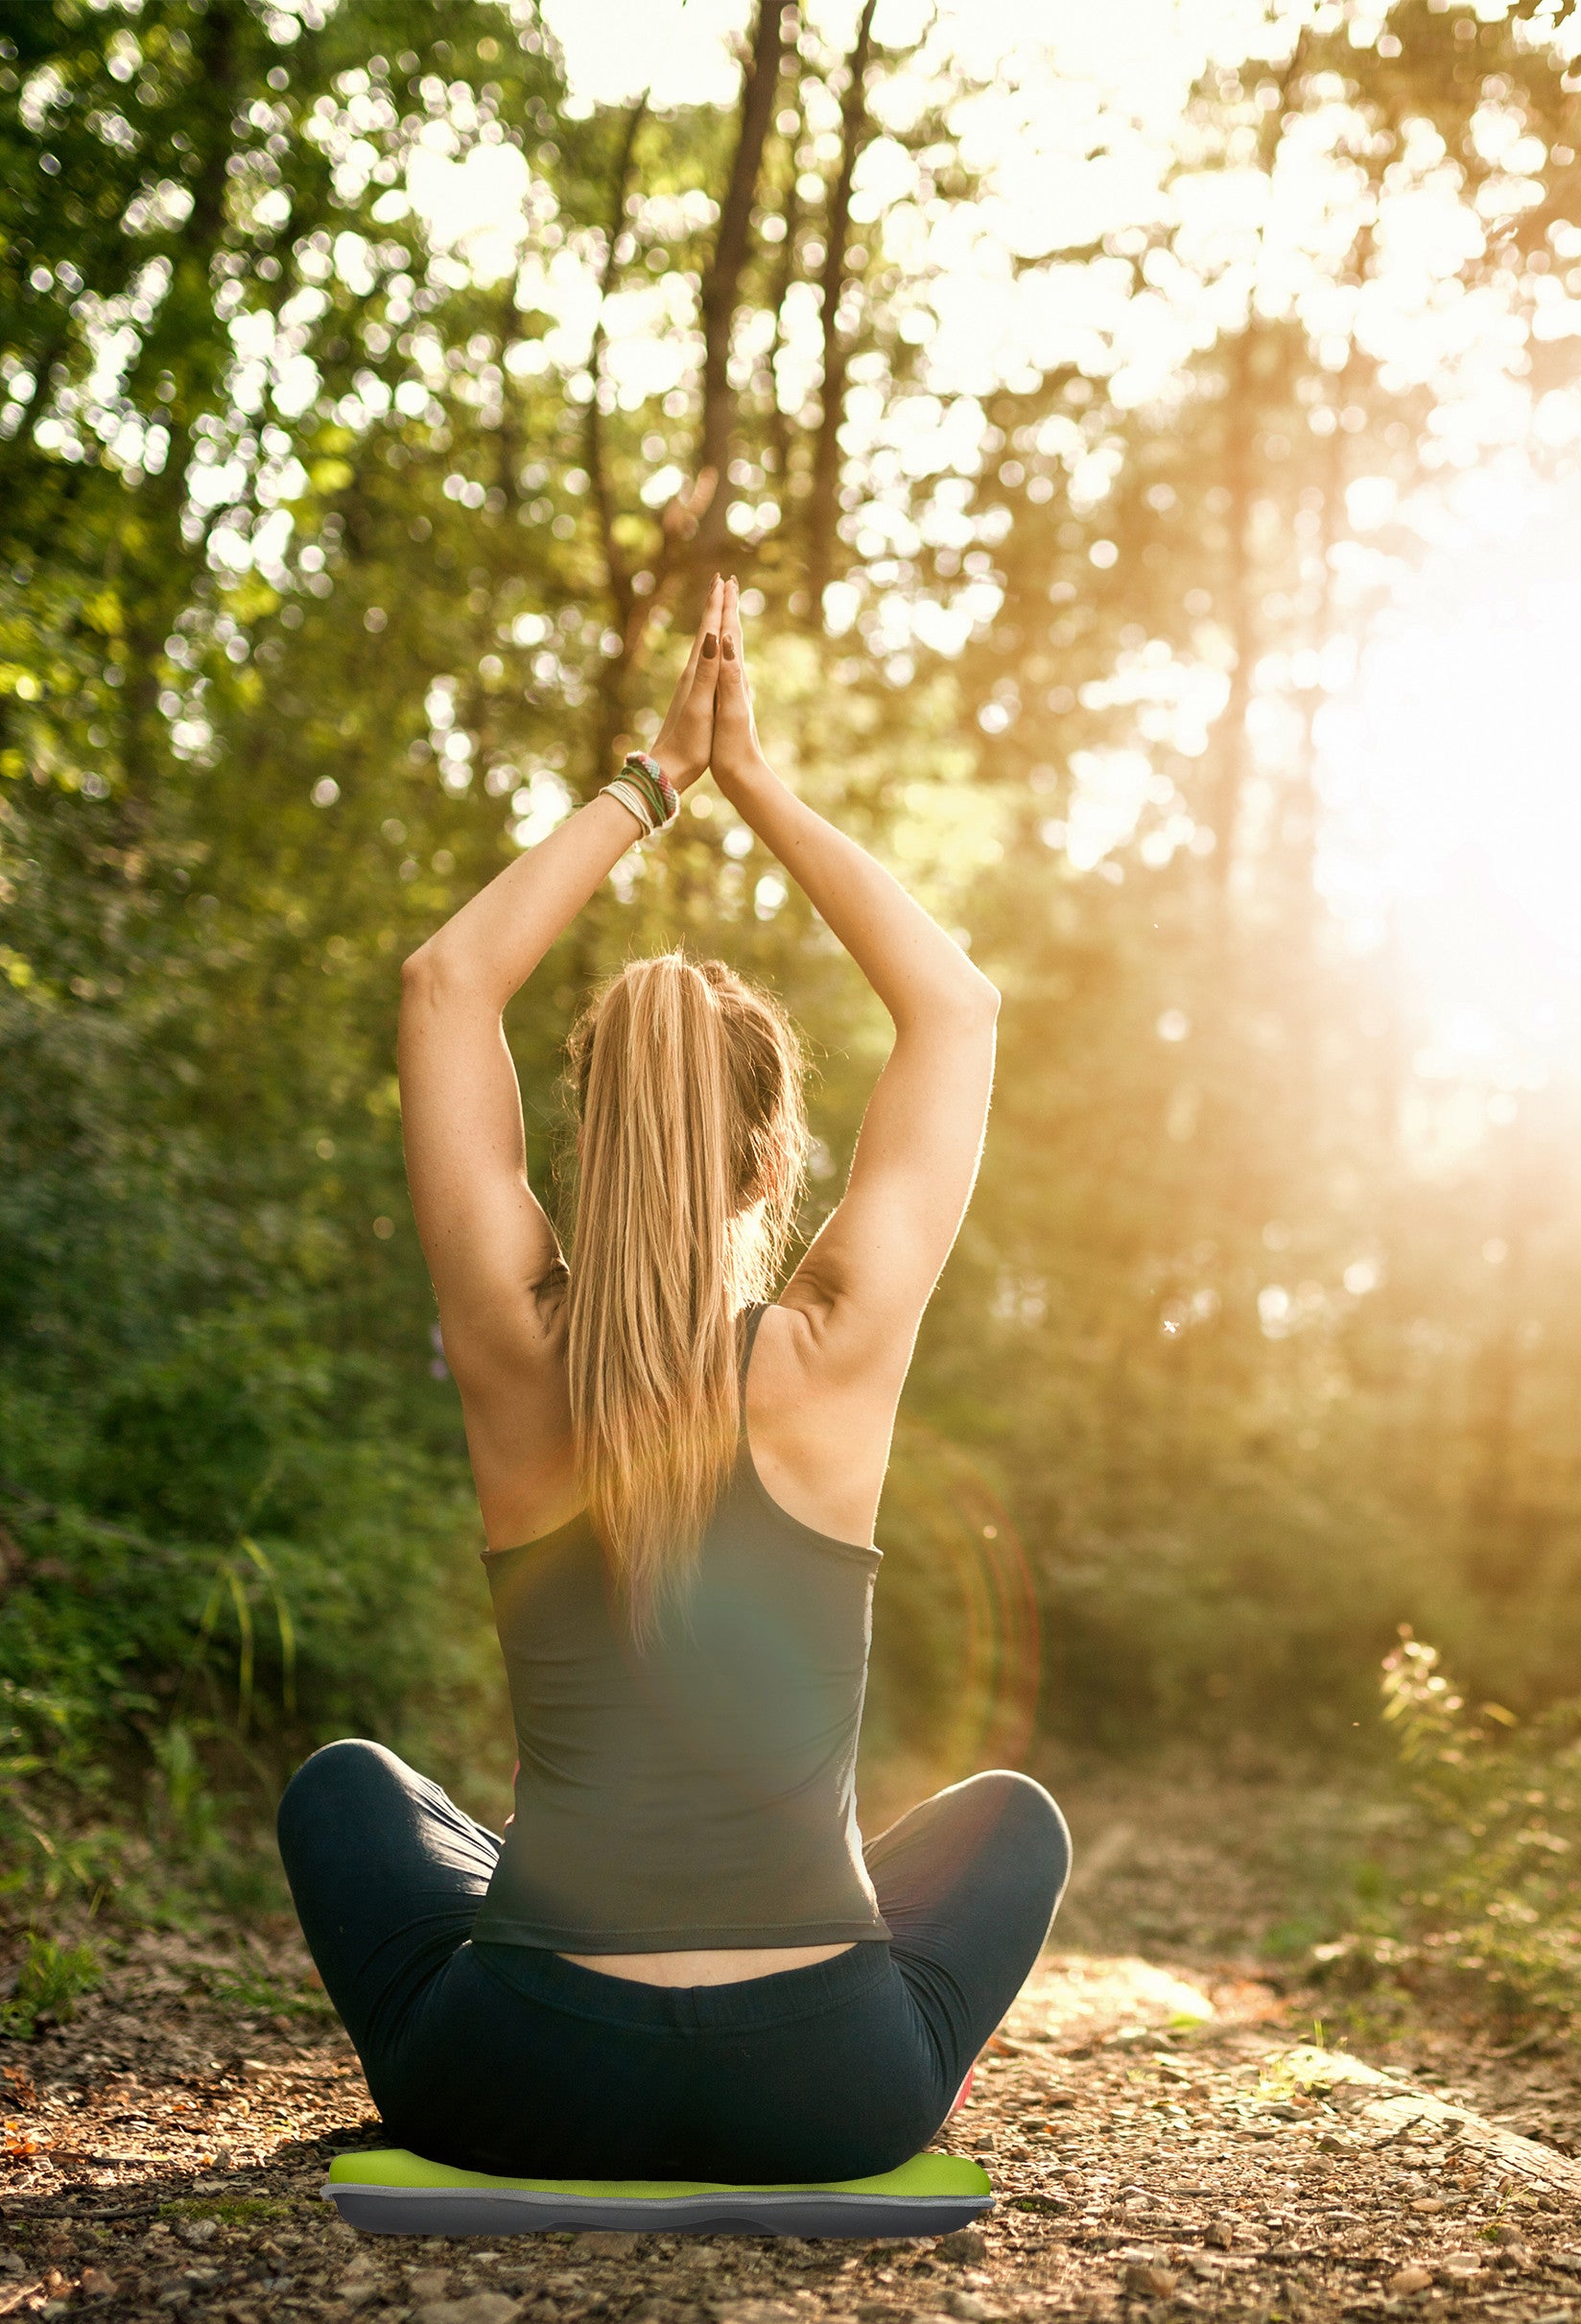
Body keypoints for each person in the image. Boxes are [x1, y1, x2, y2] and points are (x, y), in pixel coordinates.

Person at [277, 578, 1068, 2185]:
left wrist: (651, 784)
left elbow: (443, 987)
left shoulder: (518, 1351)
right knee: (1012, 1820)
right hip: (828, 2090)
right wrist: (759, 788)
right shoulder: (832, 1350)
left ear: (580, 1146)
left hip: (523, 2081)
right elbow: (957, 1009)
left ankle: (554, 1937)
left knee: (352, 1793)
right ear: (775, 1157)